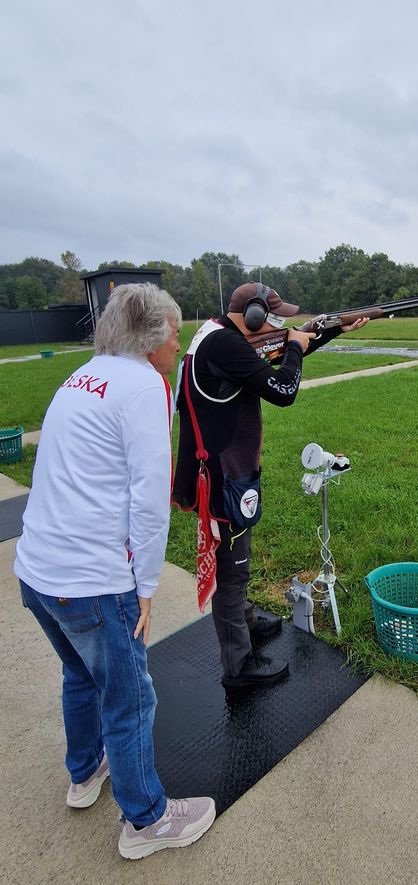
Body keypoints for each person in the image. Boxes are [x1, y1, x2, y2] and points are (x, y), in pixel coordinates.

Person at [14, 282, 216, 861]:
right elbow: (148, 499)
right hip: (91, 581)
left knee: (81, 676)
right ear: (152, 338)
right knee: (130, 700)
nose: (179, 345)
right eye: (175, 334)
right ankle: (147, 820)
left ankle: (85, 773)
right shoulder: (143, 387)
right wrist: (146, 588)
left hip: (37, 571)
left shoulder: (85, 374)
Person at [172, 282, 369, 690]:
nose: (280, 322)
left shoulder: (219, 335)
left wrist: (334, 329)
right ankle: (238, 665)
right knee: (231, 570)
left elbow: (269, 357)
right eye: (274, 316)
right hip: (223, 475)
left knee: (238, 557)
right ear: (255, 316)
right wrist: (296, 346)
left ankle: (244, 619)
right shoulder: (225, 346)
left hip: (227, 466)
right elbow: (282, 389)